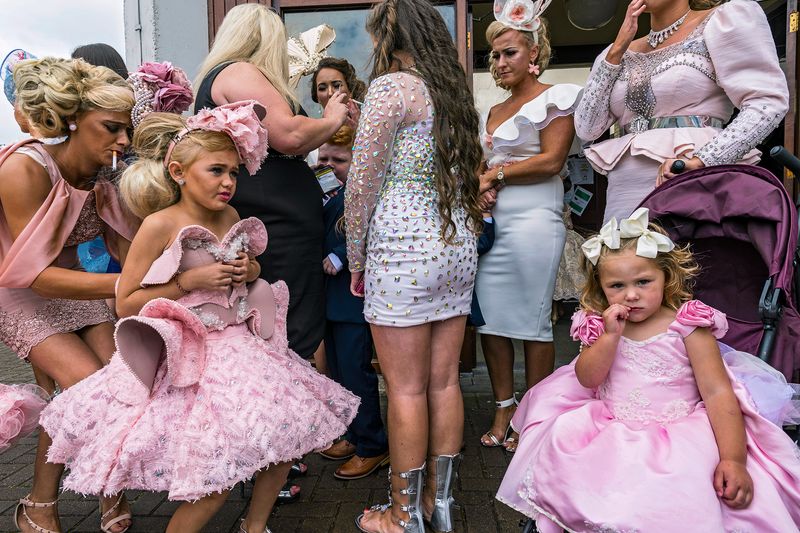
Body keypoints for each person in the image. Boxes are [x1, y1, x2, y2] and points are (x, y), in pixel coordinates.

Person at [39, 102, 360, 533]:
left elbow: (245, 274)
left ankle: (255, 526)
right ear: (178, 172)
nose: (228, 182)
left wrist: (251, 271)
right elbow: (126, 302)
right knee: (216, 475)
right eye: (216, 171)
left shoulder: (230, 216)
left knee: (285, 439)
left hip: (241, 347)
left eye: (233, 172)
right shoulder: (158, 225)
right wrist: (188, 282)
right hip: (193, 354)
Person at [497, 208, 800, 532]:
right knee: (575, 459)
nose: (631, 294)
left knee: (671, 491)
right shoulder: (602, 324)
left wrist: (733, 460)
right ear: (601, 288)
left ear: (666, 276)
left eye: (643, 282)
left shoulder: (688, 325)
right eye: (617, 286)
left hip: (680, 437)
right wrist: (609, 337)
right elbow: (587, 378)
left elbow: (717, 392)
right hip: (610, 430)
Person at [345, 1, 483, 531]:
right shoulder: (452, 94)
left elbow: (361, 186)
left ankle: (402, 516)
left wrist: (355, 256)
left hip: (403, 247)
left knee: (403, 389)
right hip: (454, 244)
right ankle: (438, 508)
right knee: (443, 382)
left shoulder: (391, 88)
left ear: (388, 36)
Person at [0, 57, 137, 533]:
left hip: (82, 285)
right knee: (85, 386)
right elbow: (33, 274)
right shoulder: (24, 167)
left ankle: (109, 488)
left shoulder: (106, 173)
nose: (124, 141)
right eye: (113, 128)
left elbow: (123, 245)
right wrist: (129, 284)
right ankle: (38, 503)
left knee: (123, 382)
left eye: (128, 129)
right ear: (73, 120)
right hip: (24, 291)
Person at [193, 3, 355, 362]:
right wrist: (332, 118)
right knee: (282, 329)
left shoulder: (227, 76)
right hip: (275, 224)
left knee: (283, 328)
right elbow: (289, 135)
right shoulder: (238, 71)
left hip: (277, 218)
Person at [475, 0, 582, 452]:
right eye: (494, 55)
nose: (500, 63)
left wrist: (494, 174)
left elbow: (552, 160)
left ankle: (534, 413)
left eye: (510, 53)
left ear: (534, 52)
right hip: (494, 222)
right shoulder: (493, 111)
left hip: (536, 219)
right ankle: (503, 404)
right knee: (491, 322)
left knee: (535, 322)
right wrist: (479, 186)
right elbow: (484, 164)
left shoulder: (559, 97)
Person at [574, 0, 789, 224]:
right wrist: (617, 50)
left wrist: (702, 162)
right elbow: (587, 129)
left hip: (695, 183)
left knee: (690, 258)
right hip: (625, 191)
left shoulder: (723, 19)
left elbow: (767, 102)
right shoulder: (615, 52)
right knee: (624, 256)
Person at [318, 126, 390, 479]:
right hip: (326, 298)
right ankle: (352, 433)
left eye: (339, 160)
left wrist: (340, 254)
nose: (330, 166)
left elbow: (370, 228)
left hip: (351, 297)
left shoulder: (364, 194)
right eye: (324, 159)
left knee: (356, 372)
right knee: (338, 371)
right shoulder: (322, 192)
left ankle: (372, 445)